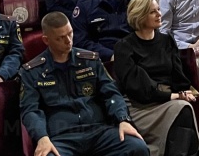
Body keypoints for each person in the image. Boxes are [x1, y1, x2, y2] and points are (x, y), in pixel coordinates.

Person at [19, 12, 149, 156]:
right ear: (46, 40)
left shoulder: (90, 61)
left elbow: (111, 93)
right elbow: (30, 110)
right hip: (62, 137)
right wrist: (42, 137)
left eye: (70, 34)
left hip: (98, 130)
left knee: (137, 147)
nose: (68, 41)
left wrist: (123, 119)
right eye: (60, 38)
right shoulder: (32, 71)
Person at [113, 0, 199, 156]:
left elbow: (179, 76)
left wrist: (182, 92)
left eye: (159, 10)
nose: (159, 14)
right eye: (153, 12)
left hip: (168, 99)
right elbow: (138, 89)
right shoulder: (124, 47)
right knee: (182, 109)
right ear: (140, 16)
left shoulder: (167, 41)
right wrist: (174, 96)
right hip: (140, 105)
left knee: (183, 109)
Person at [72, 0, 140, 61]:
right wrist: (110, 55)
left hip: (136, 53)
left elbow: (149, 27)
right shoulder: (85, 5)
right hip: (104, 58)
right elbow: (81, 41)